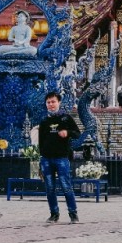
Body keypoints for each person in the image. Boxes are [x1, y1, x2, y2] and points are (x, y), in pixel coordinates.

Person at [37, 91, 81, 223]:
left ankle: (73, 214)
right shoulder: (44, 121)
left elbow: (78, 134)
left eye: (53, 102)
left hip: (61, 158)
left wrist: (67, 132)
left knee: (66, 186)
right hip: (46, 159)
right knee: (50, 188)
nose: (51, 105)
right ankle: (54, 213)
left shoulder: (66, 118)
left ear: (59, 103)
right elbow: (41, 141)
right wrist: (41, 158)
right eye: (48, 102)